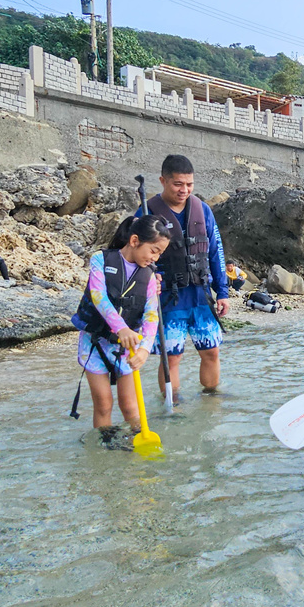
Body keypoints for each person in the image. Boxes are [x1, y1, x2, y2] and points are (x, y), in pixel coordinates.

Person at [138, 154, 230, 398]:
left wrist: (222, 292)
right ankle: (173, 405)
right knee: (172, 356)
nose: (184, 190)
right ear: (163, 181)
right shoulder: (147, 211)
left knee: (211, 351)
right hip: (169, 297)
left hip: (201, 295)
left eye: (189, 184)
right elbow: (135, 255)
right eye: (178, 184)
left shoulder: (203, 210)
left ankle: (211, 402)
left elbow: (216, 251)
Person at [72, 215, 169, 435]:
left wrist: (144, 349)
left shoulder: (151, 278)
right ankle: (106, 447)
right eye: (154, 250)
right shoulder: (100, 260)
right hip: (94, 343)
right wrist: (121, 328)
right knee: (104, 404)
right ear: (134, 241)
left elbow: (151, 315)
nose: (155, 258)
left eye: (160, 253)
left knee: (130, 406)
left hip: (128, 347)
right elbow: (98, 297)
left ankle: (138, 438)